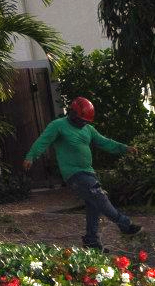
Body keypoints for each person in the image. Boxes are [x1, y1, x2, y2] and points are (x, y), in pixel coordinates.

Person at [23, 96, 142, 249]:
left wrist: (124, 148)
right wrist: (30, 156)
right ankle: (125, 224)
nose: (84, 123)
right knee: (100, 198)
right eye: (81, 120)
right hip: (74, 174)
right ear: (72, 113)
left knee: (94, 205)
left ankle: (91, 241)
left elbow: (104, 142)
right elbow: (43, 141)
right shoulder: (58, 125)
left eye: (86, 121)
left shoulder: (88, 129)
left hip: (89, 172)